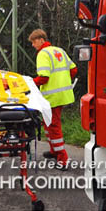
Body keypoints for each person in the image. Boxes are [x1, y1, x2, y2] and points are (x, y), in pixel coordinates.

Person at [28, 29, 77, 169]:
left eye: (34, 41)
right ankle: (54, 151)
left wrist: (30, 84)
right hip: (63, 94)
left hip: (52, 97)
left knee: (53, 126)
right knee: (48, 124)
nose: (32, 45)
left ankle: (62, 159)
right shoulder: (59, 50)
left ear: (41, 40)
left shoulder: (43, 54)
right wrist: (63, 82)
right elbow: (74, 70)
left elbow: (44, 77)